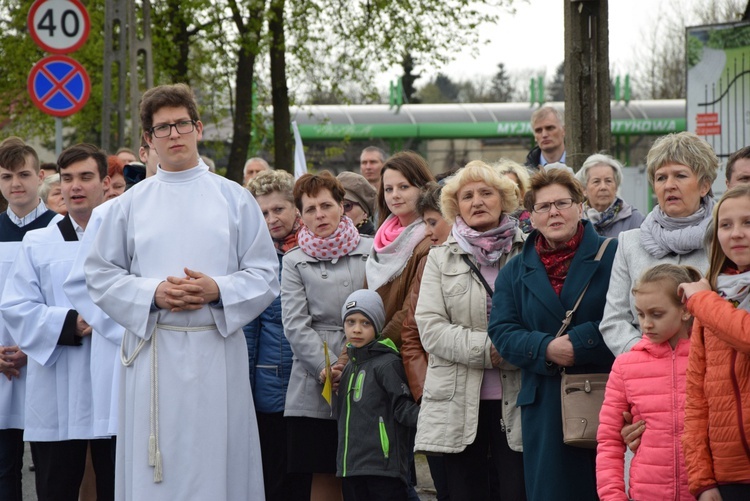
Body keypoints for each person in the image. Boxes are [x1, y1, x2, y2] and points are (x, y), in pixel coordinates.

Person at [84, 83, 278, 500]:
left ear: (198, 128)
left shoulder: (235, 199)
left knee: (217, 464)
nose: (174, 134)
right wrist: (153, 293)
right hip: (154, 352)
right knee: (159, 470)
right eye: (163, 128)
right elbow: (100, 276)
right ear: (148, 140)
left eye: (182, 124)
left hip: (216, 353)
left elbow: (265, 274)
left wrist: (217, 289)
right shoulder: (127, 206)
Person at [489, 168, 618, 501]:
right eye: (543, 207)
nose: (554, 212)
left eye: (562, 203)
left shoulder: (613, 255)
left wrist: (579, 344)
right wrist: (545, 348)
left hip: (604, 394)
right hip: (544, 401)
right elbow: (501, 331)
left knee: (606, 488)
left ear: (579, 205)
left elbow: (628, 317)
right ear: (531, 216)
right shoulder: (515, 270)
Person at [1, 143, 114, 501]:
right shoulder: (38, 242)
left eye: (85, 177)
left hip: (112, 384)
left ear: (105, 182)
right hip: (55, 385)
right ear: (58, 184)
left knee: (117, 486)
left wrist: (109, 317)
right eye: (68, 178)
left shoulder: (124, 236)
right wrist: (73, 323)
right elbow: (17, 305)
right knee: (55, 488)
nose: (75, 186)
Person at [414, 161, 526, 500]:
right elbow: (430, 329)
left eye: (486, 193)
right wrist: (490, 350)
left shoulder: (529, 250)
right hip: (456, 402)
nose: (477, 201)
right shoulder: (439, 258)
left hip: (520, 399)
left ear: (504, 199)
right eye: (467, 196)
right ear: (455, 206)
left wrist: (515, 347)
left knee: (517, 492)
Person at [281, 171, 372, 501]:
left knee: (369, 471)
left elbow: (384, 309)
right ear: (301, 216)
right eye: (309, 209)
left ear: (342, 207)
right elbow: (294, 324)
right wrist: (330, 368)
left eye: (326, 205)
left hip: (368, 370)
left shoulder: (372, 249)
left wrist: (352, 362)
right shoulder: (294, 261)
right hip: (316, 379)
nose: (319, 215)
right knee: (323, 471)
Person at [600, 132, 718, 357]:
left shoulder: (724, 240)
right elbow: (614, 321)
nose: (669, 185)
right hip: (647, 377)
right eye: (661, 178)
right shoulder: (629, 242)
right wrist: (645, 357)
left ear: (704, 186)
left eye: (680, 175)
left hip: (709, 371)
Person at [596, 264, 698, 501]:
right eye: (640, 314)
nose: (646, 324)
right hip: (647, 494)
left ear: (685, 310)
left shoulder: (709, 358)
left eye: (656, 314)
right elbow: (609, 440)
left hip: (705, 493)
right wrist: (612, 496)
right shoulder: (625, 366)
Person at [679, 185, 750, 501]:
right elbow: (696, 398)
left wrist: (703, 301)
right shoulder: (712, 297)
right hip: (728, 476)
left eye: (748, 222)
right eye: (726, 224)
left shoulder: (706, 301)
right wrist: (702, 480)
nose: (736, 234)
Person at [0, 138, 62, 501]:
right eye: (6, 176)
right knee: (5, 467)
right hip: (2, 364)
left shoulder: (61, 231)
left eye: (23, 174)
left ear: (41, 176)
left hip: (46, 361)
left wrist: (35, 344)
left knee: (52, 467)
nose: (15, 184)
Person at [244, 169, 306, 501]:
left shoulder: (315, 249)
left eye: (278, 209)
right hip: (271, 386)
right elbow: (249, 334)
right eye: (263, 212)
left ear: (296, 208)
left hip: (314, 381)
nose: (271, 219)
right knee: (276, 477)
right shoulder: (255, 261)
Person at [335, 289, 419, 501]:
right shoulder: (348, 367)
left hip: (383, 468)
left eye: (366, 323)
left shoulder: (387, 363)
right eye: (351, 322)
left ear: (377, 326)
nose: (357, 329)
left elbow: (403, 407)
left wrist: (431, 417)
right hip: (350, 467)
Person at [399, 182, 451, 500]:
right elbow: (411, 333)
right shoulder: (429, 260)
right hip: (440, 398)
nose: (429, 233)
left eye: (433, 222)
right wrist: (424, 392)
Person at [367, 151, 435, 347]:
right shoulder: (380, 237)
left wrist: (374, 347)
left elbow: (409, 311)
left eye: (403, 187)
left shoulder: (430, 241)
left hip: (401, 349)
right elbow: (363, 302)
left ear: (423, 188)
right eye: (388, 189)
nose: (394, 195)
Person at [575, 153, 645, 237]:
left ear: (616, 187)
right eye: (596, 181)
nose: (603, 187)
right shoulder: (575, 219)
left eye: (608, 181)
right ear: (584, 189)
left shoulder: (634, 219)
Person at [496, 159, 533, 233]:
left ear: (522, 192)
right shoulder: (490, 220)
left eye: (512, 188)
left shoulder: (531, 222)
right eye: (502, 189)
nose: (506, 193)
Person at [525, 106, 565, 170]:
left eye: (550, 128)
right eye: (538, 130)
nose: (544, 135)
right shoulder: (525, 175)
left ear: (564, 130)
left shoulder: (583, 168)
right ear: (535, 136)